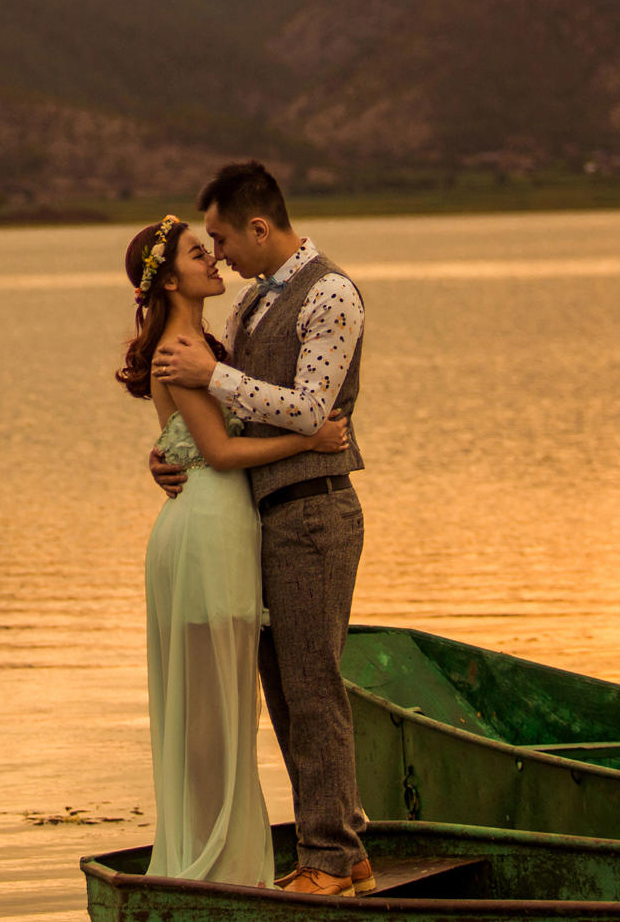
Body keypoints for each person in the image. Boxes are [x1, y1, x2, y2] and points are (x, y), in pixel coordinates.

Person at [148, 161, 371, 897]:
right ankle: (341, 846)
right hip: (260, 518)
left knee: (311, 688)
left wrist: (210, 377)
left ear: (258, 226)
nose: (219, 255)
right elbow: (235, 420)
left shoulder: (331, 293)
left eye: (220, 239)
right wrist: (172, 449)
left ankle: (329, 858)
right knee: (284, 692)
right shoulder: (248, 307)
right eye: (205, 246)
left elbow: (310, 409)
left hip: (315, 511)